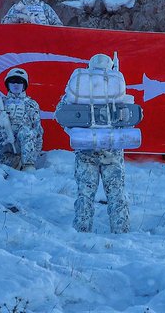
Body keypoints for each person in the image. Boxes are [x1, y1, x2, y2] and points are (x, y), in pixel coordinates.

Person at [62, 54, 132, 233]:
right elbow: (131, 118)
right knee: (117, 194)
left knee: (85, 194)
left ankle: (81, 232)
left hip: (85, 150)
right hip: (112, 151)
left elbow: (62, 115)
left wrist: (76, 132)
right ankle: (121, 233)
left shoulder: (79, 88)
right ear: (111, 68)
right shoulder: (118, 89)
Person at [0, 68, 43, 170]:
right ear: (8, 84)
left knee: (27, 131)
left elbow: (37, 131)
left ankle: (27, 167)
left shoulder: (31, 105)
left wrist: (33, 155)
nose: (16, 84)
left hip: (21, 146)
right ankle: (12, 163)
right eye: (12, 81)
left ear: (24, 85)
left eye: (19, 82)